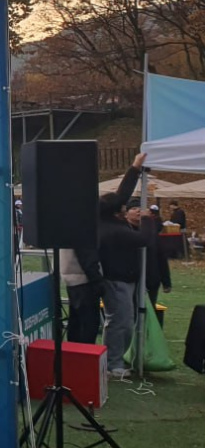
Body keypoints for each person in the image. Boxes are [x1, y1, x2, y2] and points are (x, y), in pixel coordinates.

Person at [97, 155, 154, 379]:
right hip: (117, 279)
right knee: (120, 322)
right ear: (117, 212)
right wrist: (148, 220)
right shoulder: (114, 230)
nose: (126, 206)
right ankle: (114, 364)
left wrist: (135, 169)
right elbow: (144, 239)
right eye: (123, 207)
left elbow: (121, 195)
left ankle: (114, 361)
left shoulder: (106, 219)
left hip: (122, 278)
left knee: (122, 321)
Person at [60, 247, 103, 345]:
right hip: (83, 278)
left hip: (71, 275)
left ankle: (74, 353)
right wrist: (97, 279)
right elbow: (86, 253)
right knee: (87, 327)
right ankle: (84, 354)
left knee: (76, 325)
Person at [135, 202, 172, 305]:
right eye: (134, 209)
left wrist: (166, 282)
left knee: (149, 307)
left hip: (151, 278)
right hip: (131, 279)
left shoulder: (153, 234)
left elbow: (162, 258)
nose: (138, 212)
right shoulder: (125, 231)